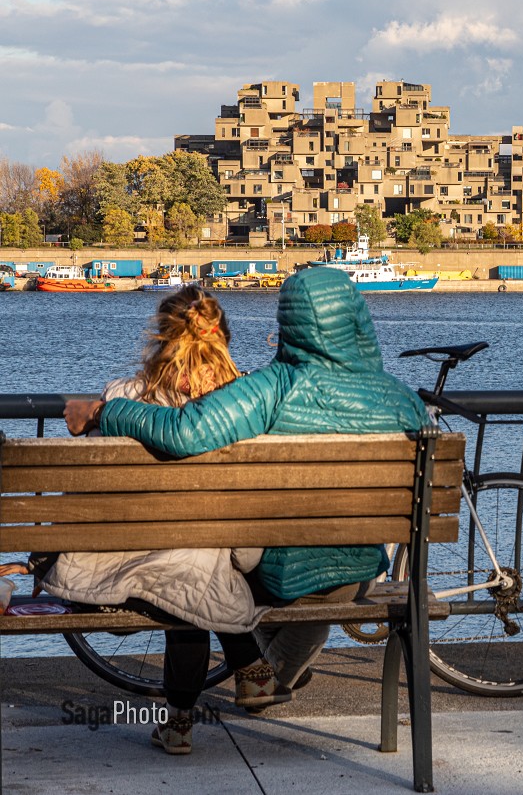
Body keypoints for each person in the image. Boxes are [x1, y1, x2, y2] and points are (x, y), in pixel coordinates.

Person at [64, 266, 430, 735]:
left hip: (281, 574)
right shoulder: (402, 399)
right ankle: (262, 678)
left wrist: (104, 410)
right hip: (360, 573)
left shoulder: (273, 388)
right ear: (358, 321)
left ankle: (203, 706)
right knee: (213, 567)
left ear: (291, 323)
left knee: (201, 567)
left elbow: (186, 431)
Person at [2, 285, 285, 756]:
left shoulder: (121, 398)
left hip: (126, 566)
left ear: (158, 338)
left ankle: (183, 721)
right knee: (200, 559)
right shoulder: (245, 405)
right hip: (218, 557)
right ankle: (245, 672)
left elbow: (87, 502)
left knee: (186, 564)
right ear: (223, 339)